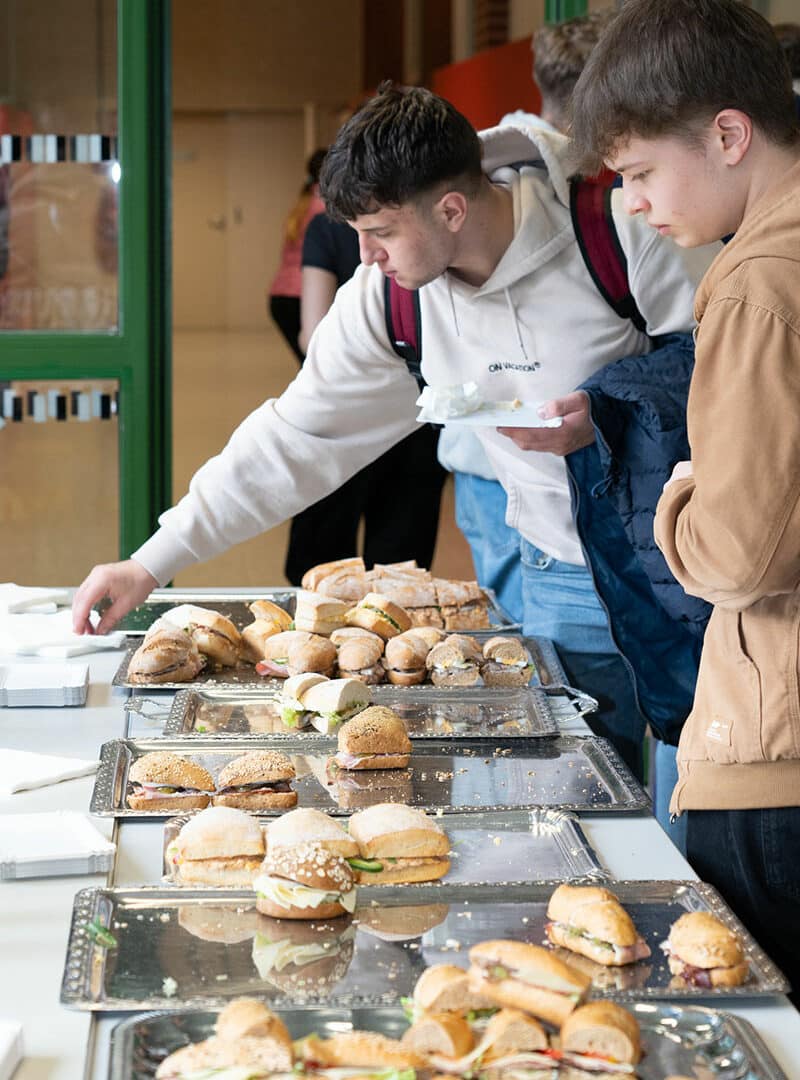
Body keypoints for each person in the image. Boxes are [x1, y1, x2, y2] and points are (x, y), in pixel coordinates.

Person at [72, 85, 708, 780]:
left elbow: (734, 363)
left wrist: (609, 411)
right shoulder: (389, 299)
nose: (365, 255)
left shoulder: (618, 230)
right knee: (588, 784)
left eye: (379, 232)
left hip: (692, 564)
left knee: (701, 781)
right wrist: (152, 560)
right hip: (558, 567)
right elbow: (293, 439)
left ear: (451, 209)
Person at [571, 0, 800, 992]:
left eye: (639, 173)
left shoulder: (756, 281)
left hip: (773, 755)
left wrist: (677, 496)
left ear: (726, 134)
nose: (630, 204)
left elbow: (739, 552)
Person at [441, 8, 617, 628]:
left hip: (483, 466)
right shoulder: (581, 195)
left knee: (522, 641)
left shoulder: (479, 162)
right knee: (545, 652)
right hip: (512, 473)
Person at [281, 208, 446, 583]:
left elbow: (312, 334)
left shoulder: (326, 228)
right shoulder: (427, 222)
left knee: (322, 573)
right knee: (400, 574)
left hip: (342, 415)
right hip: (418, 409)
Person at [267, 148, 327, 363]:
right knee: (317, 366)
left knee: (310, 365)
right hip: (303, 296)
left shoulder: (302, 204)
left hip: (280, 296)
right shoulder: (324, 209)